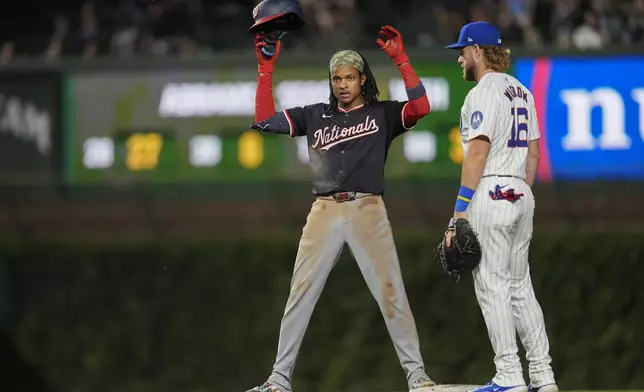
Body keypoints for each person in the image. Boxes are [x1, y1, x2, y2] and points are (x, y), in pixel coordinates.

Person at [245, 25, 436, 392]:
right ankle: (278, 380)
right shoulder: (316, 115)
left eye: (350, 77)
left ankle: (417, 376)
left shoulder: (383, 113)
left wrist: (401, 59)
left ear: (363, 79)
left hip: (367, 209)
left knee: (390, 290)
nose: (343, 84)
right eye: (336, 78)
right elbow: (264, 120)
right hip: (324, 211)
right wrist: (265, 68)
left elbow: (422, 107)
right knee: (300, 293)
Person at [443, 21, 558, 392]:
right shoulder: (522, 91)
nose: (459, 57)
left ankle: (509, 375)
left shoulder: (482, 93)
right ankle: (543, 376)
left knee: (492, 286)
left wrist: (460, 210)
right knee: (520, 286)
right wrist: (518, 192)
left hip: (491, 190)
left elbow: (478, 151)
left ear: (477, 50)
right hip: (522, 193)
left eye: (462, 50)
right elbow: (534, 154)